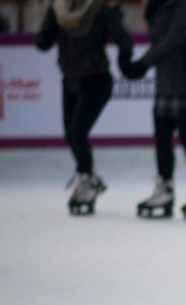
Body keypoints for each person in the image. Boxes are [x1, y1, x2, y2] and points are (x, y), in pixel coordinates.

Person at [35, 0, 133, 215]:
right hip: (70, 78)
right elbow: (43, 42)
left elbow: (123, 39)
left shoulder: (99, 9)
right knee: (71, 133)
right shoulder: (58, 9)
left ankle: (87, 179)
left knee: (78, 131)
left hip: (96, 79)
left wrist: (126, 62)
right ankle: (89, 176)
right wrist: (44, 28)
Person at [124, 0, 186, 220]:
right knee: (162, 137)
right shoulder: (155, 6)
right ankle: (164, 189)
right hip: (166, 79)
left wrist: (144, 62)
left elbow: (176, 38)